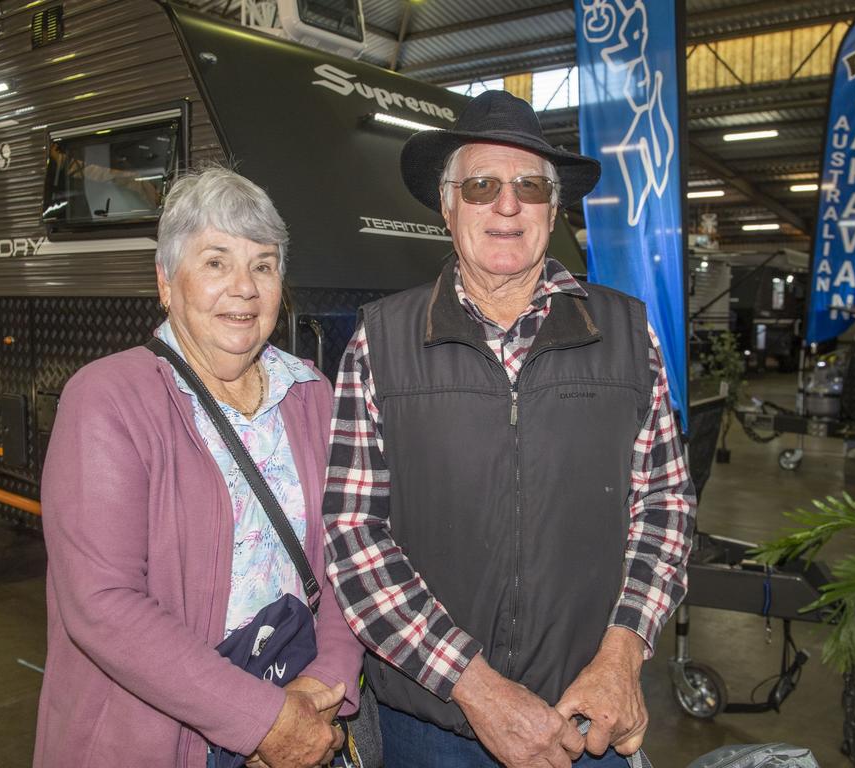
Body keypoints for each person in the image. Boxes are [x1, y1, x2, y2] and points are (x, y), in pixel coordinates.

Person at [323, 90, 695, 768]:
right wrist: (477, 687)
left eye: (529, 186)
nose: (506, 205)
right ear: (446, 205)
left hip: (589, 721)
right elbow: (353, 538)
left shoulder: (626, 331)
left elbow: (664, 505)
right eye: (481, 185)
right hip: (431, 729)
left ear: (553, 210)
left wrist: (622, 651)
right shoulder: (380, 342)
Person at [34, 166, 363, 768]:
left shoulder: (311, 392)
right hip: (156, 739)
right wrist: (264, 722)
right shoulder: (108, 398)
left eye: (263, 265)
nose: (244, 288)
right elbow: (103, 604)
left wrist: (322, 690)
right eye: (216, 262)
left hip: (303, 706)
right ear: (166, 282)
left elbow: (347, 554)